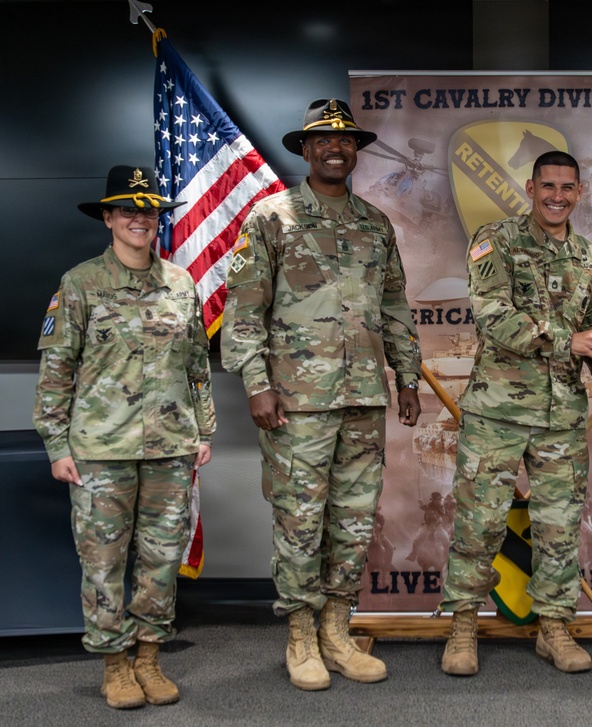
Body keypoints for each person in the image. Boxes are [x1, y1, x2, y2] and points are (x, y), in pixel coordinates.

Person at [220, 98, 422, 690]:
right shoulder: (271, 218)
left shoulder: (374, 223)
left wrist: (406, 378)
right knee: (300, 521)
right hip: (296, 403)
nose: (336, 149)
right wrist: (257, 385)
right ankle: (301, 636)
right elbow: (244, 314)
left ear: (355, 152)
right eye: (324, 142)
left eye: (346, 142)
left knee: (354, 521)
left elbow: (394, 307)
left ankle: (338, 629)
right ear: (306, 150)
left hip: (363, 396)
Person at [437, 150, 592, 676]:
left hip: (562, 416)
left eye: (567, 188)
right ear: (530, 187)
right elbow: (493, 315)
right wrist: (571, 341)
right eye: (548, 186)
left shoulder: (591, 258)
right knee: (478, 524)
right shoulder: (494, 240)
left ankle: (554, 627)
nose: (557, 196)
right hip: (497, 413)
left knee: (559, 526)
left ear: (579, 192)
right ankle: (462, 627)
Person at [33, 165, 215, 709]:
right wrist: (56, 446)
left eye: (149, 210)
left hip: (170, 446)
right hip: (100, 451)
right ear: (109, 218)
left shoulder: (180, 283)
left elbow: (197, 365)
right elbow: (56, 370)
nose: (140, 219)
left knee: (160, 559)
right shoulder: (80, 283)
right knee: (104, 562)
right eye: (128, 210)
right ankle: (115, 665)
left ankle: (149, 658)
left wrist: (204, 429)